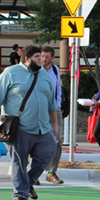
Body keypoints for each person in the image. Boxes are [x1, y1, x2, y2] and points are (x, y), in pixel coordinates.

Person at [0, 45, 59, 200]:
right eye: (37, 57)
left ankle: (28, 183)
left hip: (43, 127)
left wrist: (54, 123)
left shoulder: (44, 75)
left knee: (48, 153)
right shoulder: (10, 73)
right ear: (27, 59)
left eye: (41, 56)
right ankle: (20, 194)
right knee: (19, 162)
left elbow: (51, 102)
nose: (41, 60)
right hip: (20, 127)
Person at [39, 46, 66, 184]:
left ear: (52, 58)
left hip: (55, 109)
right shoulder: (36, 69)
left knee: (57, 141)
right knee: (36, 140)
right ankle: (33, 172)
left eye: (47, 56)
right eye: (42, 56)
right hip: (39, 110)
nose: (44, 59)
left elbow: (58, 89)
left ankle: (51, 172)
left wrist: (58, 105)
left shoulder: (55, 70)